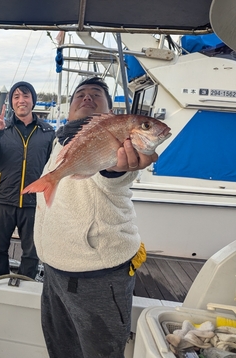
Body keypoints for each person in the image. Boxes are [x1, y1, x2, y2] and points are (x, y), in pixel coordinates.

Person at [33, 77, 156, 358]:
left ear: (112, 113)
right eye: (80, 94)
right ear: (69, 108)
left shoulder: (118, 144)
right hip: (54, 271)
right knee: (61, 349)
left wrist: (119, 168)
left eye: (96, 95)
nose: (87, 97)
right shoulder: (61, 142)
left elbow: (115, 175)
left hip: (98, 276)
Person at [0, 81, 55, 279]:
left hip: (33, 203)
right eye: (16, 97)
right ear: (11, 102)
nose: (21, 100)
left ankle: (26, 283)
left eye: (26, 96)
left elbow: (53, 167)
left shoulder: (47, 133)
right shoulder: (2, 128)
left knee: (31, 252)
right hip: (3, 200)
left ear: (33, 100)